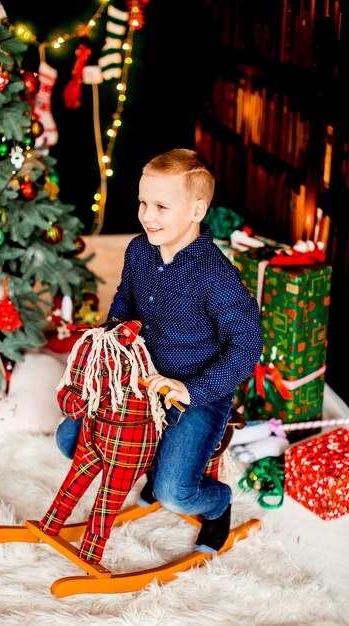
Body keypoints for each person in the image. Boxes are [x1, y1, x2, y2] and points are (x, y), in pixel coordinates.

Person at [55, 148, 263, 553]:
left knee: (173, 492)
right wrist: (108, 344)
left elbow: (247, 344)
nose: (147, 215)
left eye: (161, 206)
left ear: (196, 210)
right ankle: (146, 459)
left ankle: (218, 503)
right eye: (142, 203)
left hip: (195, 393)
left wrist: (193, 390)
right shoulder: (138, 251)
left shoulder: (215, 275)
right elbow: (123, 305)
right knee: (71, 439)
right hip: (138, 383)